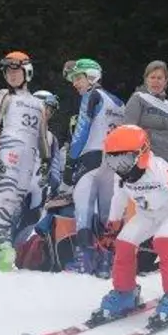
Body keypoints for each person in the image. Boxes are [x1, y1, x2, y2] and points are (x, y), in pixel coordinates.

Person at [92, 125, 168, 322]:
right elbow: (119, 199)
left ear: (141, 153)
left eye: (124, 159)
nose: (120, 167)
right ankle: (125, 292)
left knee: (163, 241)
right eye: (112, 160)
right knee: (124, 243)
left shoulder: (158, 168)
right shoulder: (121, 176)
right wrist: (112, 228)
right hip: (147, 214)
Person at [0, 52, 50, 271]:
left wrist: (45, 160)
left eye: (16, 71)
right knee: (6, 200)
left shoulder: (38, 104)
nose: (11, 75)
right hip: (9, 151)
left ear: (27, 72)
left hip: (29, 157)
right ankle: (0, 243)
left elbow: (42, 136)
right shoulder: (3, 95)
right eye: (8, 71)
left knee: (15, 206)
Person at [64, 58, 126, 274]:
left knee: (84, 209)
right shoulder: (119, 102)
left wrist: (70, 162)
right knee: (107, 214)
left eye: (78, 78)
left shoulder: (91, 96)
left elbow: (81, 131)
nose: (75, 83)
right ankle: (108, 261)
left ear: (91, 76)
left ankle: (85, 260)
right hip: (114, 163)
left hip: (90, 159)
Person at [123, 61, 168, 172]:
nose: (156, 81)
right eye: (152, 77)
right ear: (146, 80)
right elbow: (128, 130)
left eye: (160, 78)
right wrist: (132, 160)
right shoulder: (139, 99)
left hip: (164, 164)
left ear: (165, 81)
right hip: (140, 162)